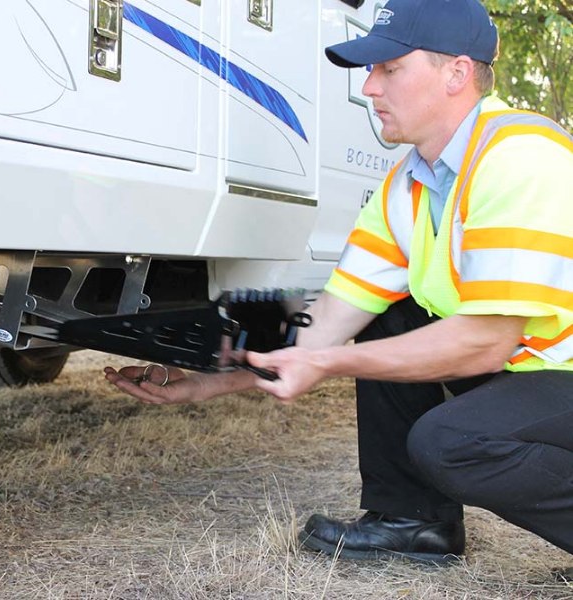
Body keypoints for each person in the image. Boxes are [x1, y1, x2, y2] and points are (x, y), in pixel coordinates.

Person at [105, 0, 573, 568]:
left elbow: (485, 340)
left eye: (389, 69)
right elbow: (327, 325)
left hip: (552, 373)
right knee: (388, 309)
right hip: (537, 378)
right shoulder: (408, 183)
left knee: (451, 443)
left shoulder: (520, 153)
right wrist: (209, 382)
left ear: (456, 72)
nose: (370, 87)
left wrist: (333, 365)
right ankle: (414, 521)